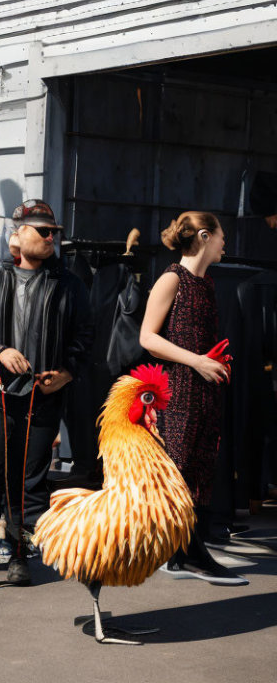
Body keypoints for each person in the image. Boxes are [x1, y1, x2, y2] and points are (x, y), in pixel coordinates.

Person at [0, 199, 93, 589]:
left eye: (54, 232)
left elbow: (86, 338)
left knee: (29, 482)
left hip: (43, 396)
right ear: (18, 234)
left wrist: (66, 374)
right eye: (43, 231)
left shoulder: (69, 284)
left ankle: (20, 554)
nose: (52, 238)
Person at [139, 211, 247, 585]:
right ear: (204, 235)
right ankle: (188, 553)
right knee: (180, 469)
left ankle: (182, 552)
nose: (224, 243)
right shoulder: (173, 278)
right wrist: (197, 361)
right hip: (179, 389)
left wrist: (213, 362)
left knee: (201, 469)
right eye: (220, 236)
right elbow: (148, 339)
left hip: (203, 387)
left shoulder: (207, 283)